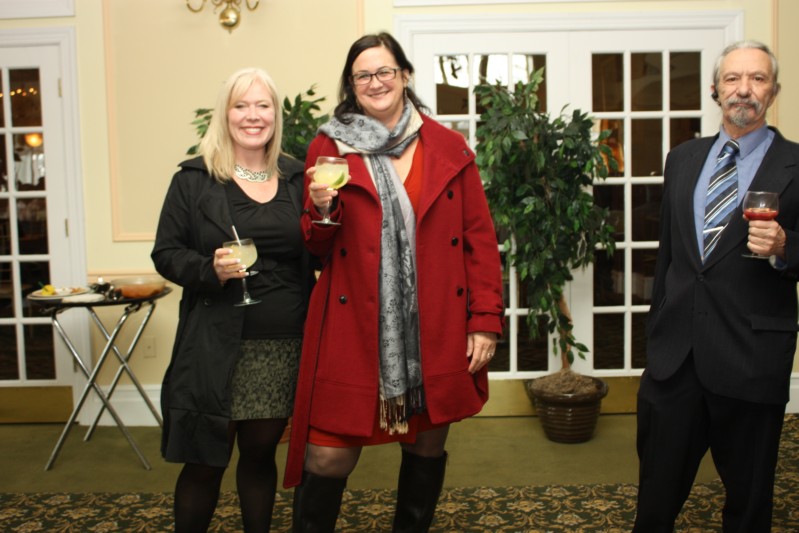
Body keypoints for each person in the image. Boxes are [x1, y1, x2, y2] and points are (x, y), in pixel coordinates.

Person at [283, 32, 504, 532]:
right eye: (363, 75)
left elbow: (479, 240)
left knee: (426, 444)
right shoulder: (330, 144)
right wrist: (322, 210)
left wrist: (484, 321)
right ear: (351, 84)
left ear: (404, 75)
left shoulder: (448, 146)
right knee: (327, 457)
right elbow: (316, 246)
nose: (375, 82)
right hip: (352, 327)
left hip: (435, 326)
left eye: (385, 71)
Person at [634, 40, 799, 532]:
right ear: (715, 90)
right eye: (733, 78)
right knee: (654, 500)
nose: (743, 89)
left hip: (751, 357)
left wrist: (785, 246)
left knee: (748, 505)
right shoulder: (682, 158)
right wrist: (655, 338)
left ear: (773, 91)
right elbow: (670, 254)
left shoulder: (795, 164)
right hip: (675, 359)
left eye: (757, 79)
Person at [151, 67, 315, 532]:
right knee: (206, 461)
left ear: (276, 114)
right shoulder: (194, 179)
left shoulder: (297, 177)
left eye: (263, 105)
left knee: (260, 456)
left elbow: (320, 249)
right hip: (216, 344)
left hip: (283, 342)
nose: (252, 115)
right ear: (225, 114)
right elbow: (166, 253)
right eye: (241, 105)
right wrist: (211, 270)